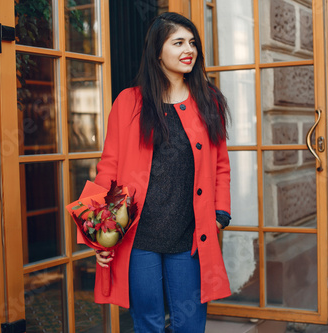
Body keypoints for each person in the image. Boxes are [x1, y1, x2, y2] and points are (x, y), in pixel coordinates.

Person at [93, 12, 232, 332]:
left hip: (189, 235)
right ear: (158, 51)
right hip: (139, 236)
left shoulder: (208, 101)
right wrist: (103, 235)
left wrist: (219, 214)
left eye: (193, 42)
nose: (189, 50)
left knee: (190, 322)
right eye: (178, 42)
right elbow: (108, 168)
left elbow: (221, 165)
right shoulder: (128, 102)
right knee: (148, 322)